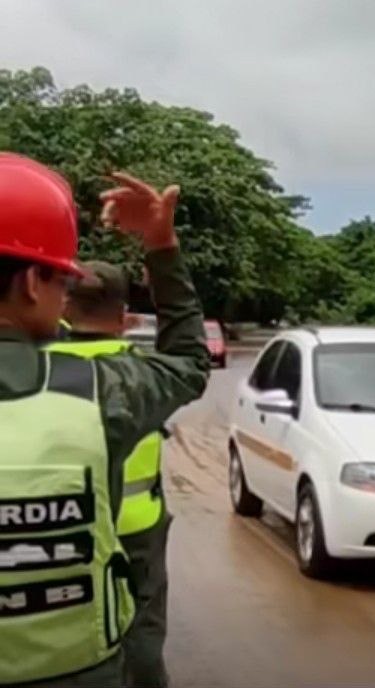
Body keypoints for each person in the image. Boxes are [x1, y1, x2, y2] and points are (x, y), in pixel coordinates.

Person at [0, 153, 209, 687]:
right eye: (59, 281)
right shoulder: (100, 391)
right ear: (31, 283)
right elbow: (189, 362)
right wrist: (161, 247)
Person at [46, 261, 172, 688]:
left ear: (65, 305)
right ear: (124, 316)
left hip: (68, 522)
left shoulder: (42, 369)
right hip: (138, 527)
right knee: (143, 630)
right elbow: (189, 358)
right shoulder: (144, 374)